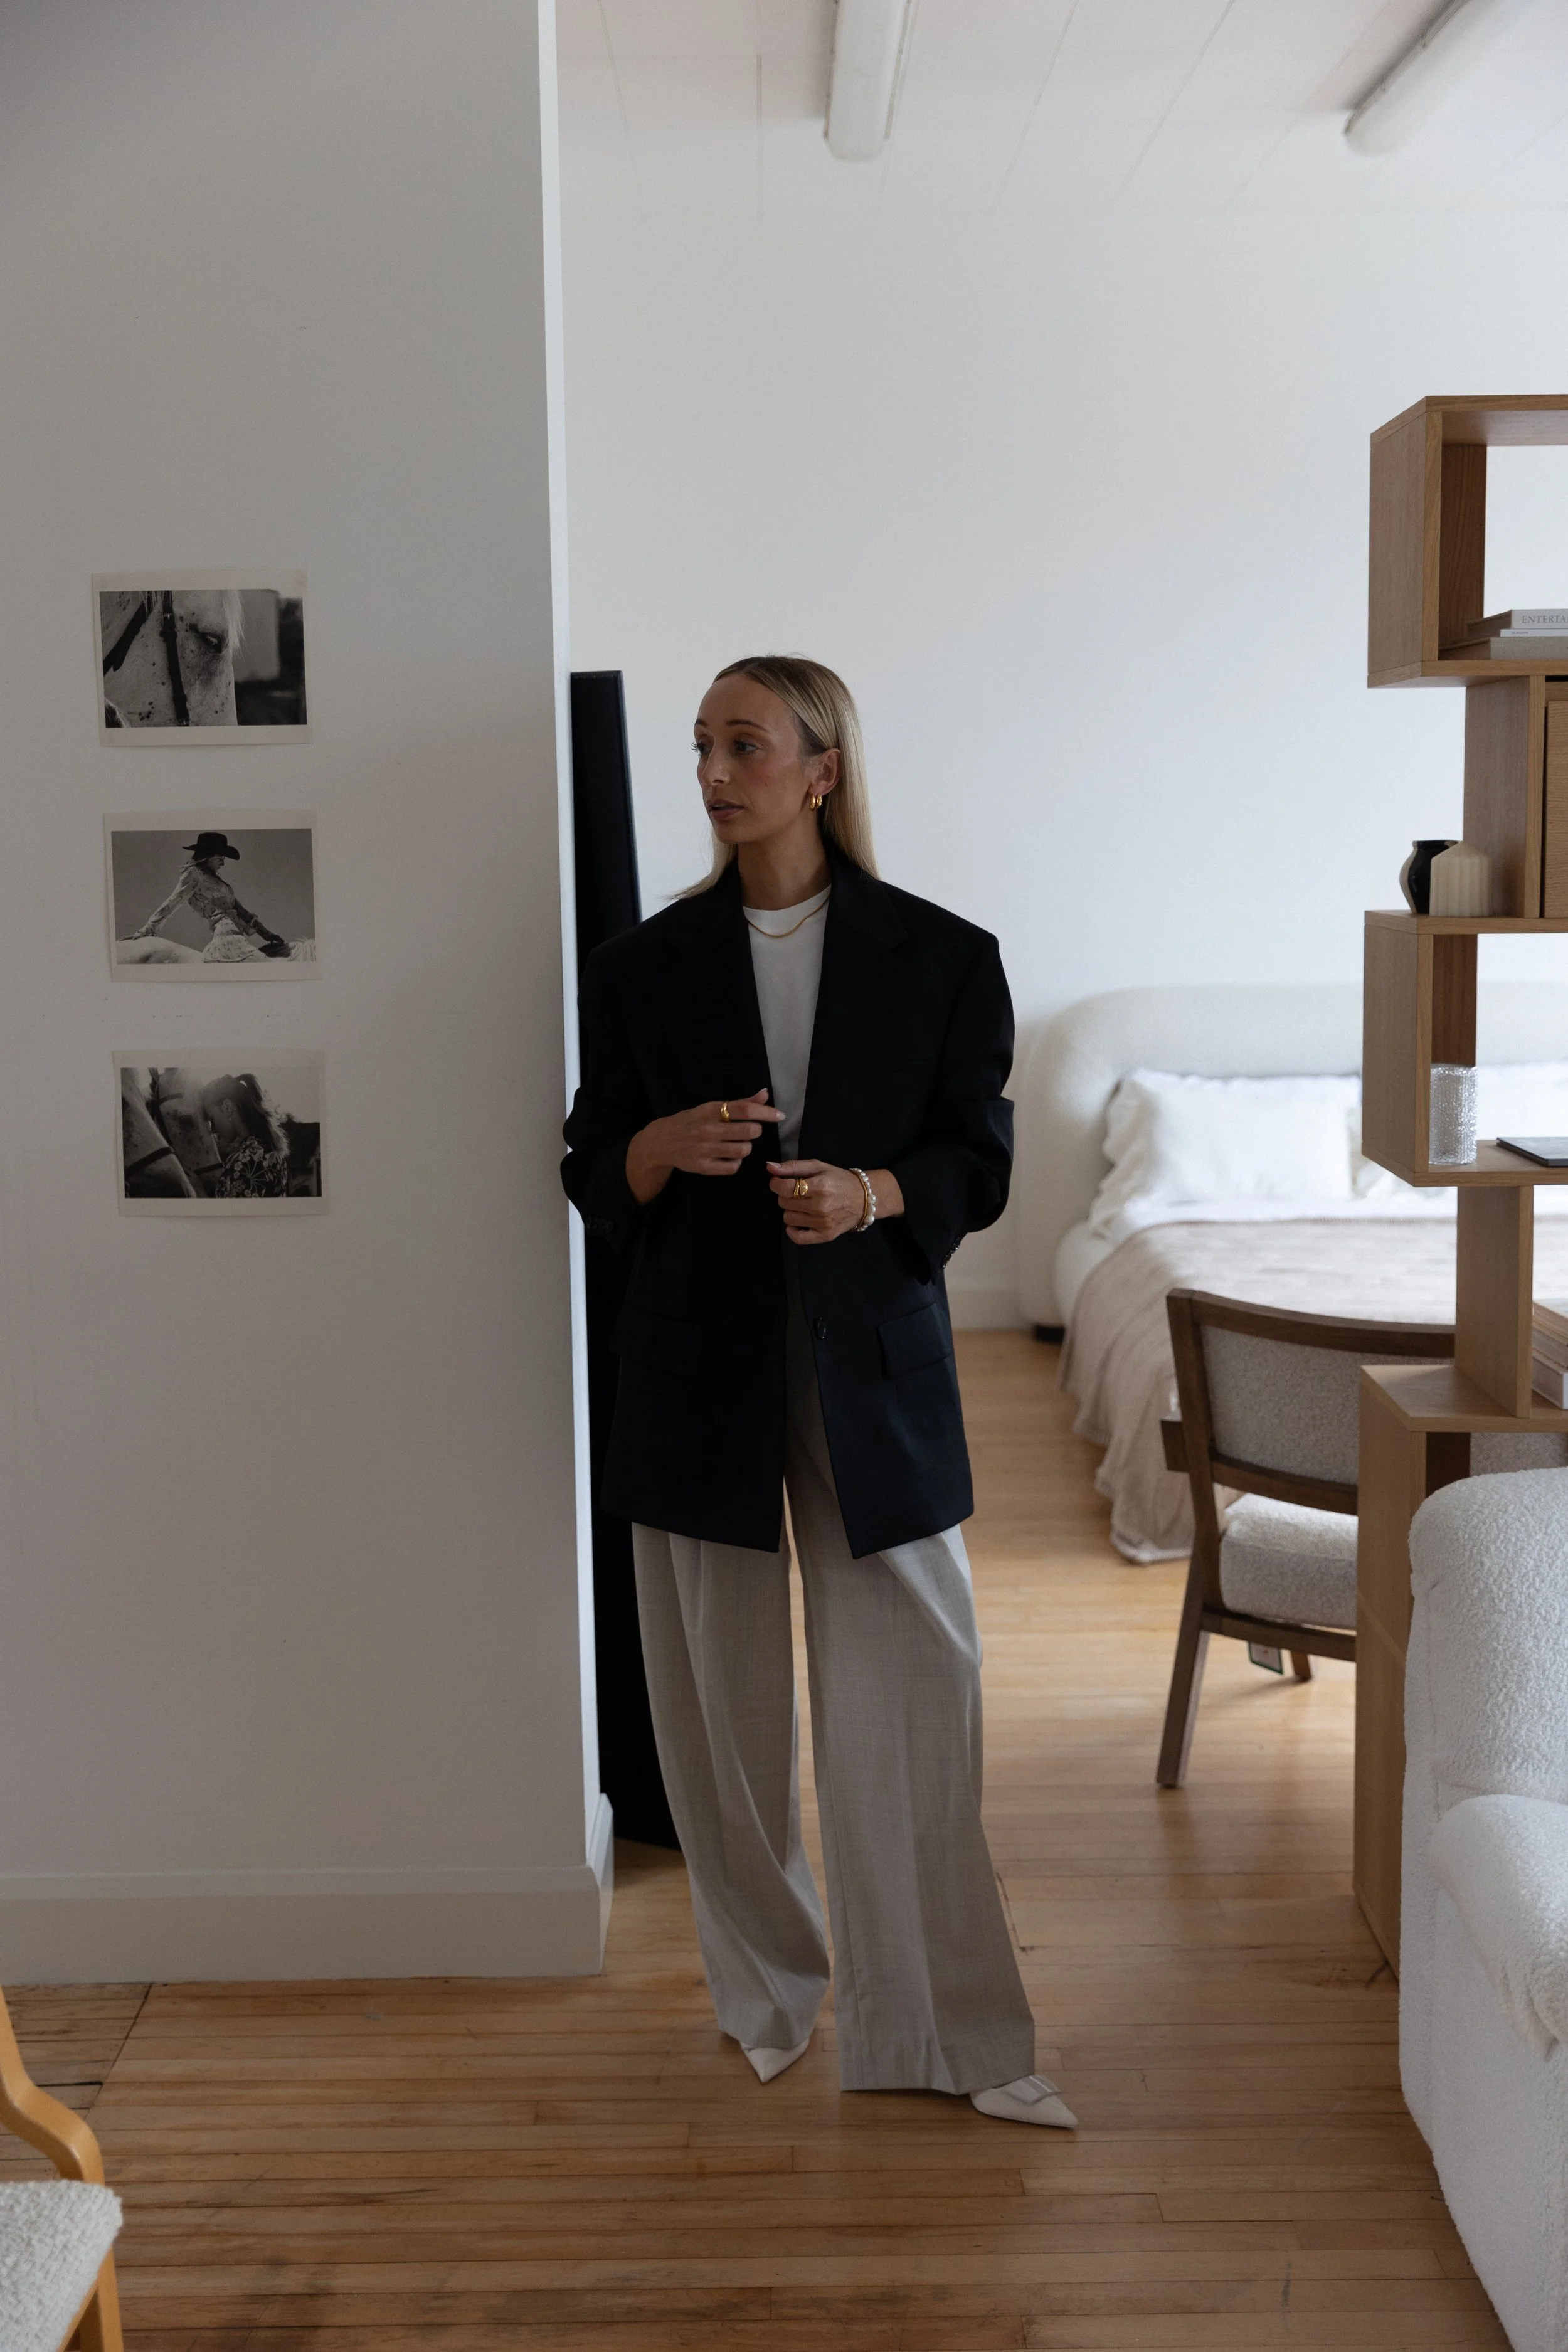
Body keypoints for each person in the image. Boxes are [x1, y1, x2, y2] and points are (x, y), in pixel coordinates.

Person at [561, 654, 1075, 2129]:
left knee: (918, 1684)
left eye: (747, 743)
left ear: (821, 766)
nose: (717, 771)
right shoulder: (645, 964)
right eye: (703, 744)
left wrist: (869, 1191)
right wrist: (663, 1142)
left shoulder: (944, 952)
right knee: (719, 1703)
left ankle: (941, 2025)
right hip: (692, 1366)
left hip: (878, 1365)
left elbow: (976, 1162)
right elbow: (594, 1165)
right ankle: (769, 1991)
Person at [124, 832, 290, 963]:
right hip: (226, 934)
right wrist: (148, 930)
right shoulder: (194, 874)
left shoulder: (221, 884)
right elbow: (172, 902)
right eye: (220, 858)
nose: (223, 863)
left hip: (237, 932)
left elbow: (242, 912)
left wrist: (268, 935)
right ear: (207, 856)